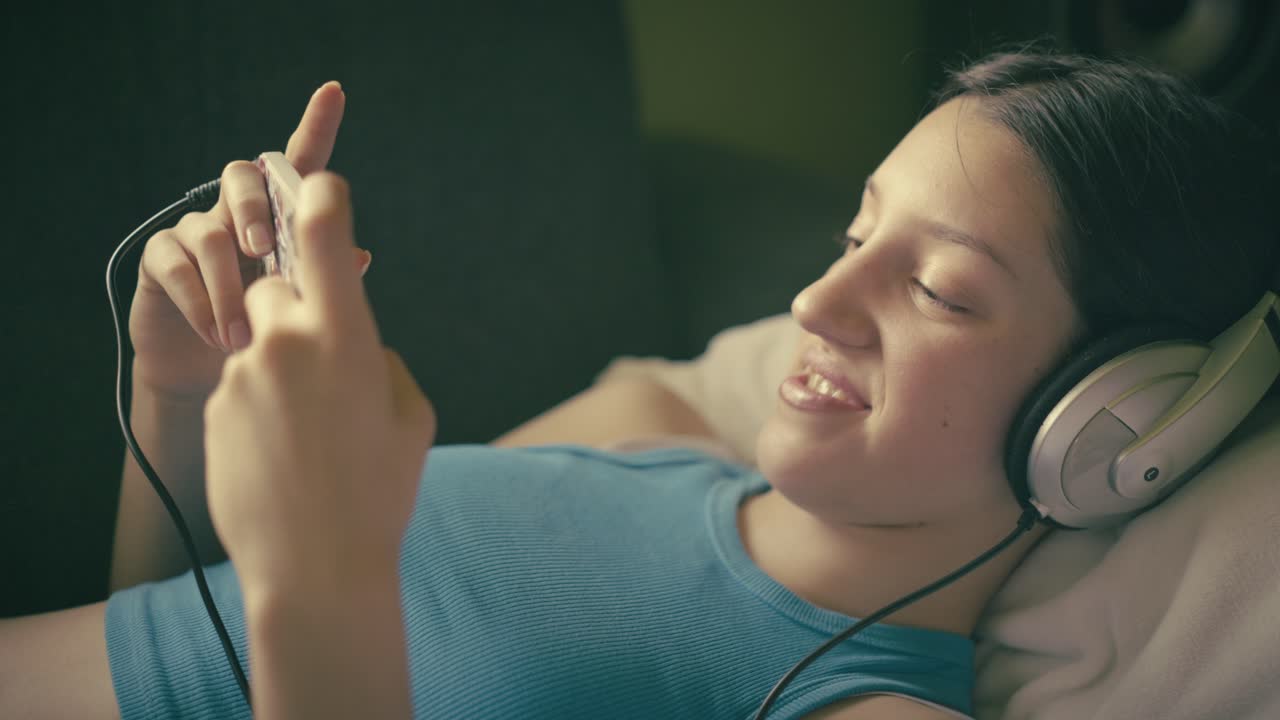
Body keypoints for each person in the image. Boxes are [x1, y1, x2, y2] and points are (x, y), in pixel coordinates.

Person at [1, 47, 1276, 719]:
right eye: (851, 239)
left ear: (1115, 426)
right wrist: (174, 401)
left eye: (937, 289)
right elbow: (168, 663)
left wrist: (324, 572)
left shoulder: (854, 707)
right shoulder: (642, 443)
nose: (815, 307)